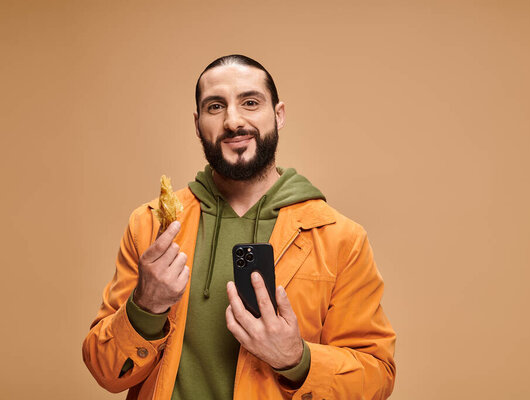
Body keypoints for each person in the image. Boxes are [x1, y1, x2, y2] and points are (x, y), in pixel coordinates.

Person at [82, 54, 396, 400]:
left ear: (278, 115)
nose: (233, 121)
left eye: (250, 102)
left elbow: (377, 377)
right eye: (216, 107)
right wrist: (145, 305)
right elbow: (107, 372)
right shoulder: (151, 224)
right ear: (198, 123)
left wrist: (297, 359)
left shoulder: (340, 238)